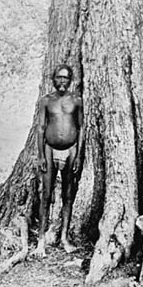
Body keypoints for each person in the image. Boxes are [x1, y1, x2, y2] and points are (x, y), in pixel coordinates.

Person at [35, 64, 84, 257]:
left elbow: (80, 128)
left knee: (68, 194)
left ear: (70, 80)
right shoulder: (46, 101)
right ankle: (40, 241)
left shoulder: (77, 101)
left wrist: (79, 154)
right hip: (49, 149)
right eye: (58, 78)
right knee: (46, 195)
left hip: (71, 151)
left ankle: (64, 237)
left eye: (65, 78)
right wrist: (40, 155)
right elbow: (40, 128)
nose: (62, 81)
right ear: (53, 79)